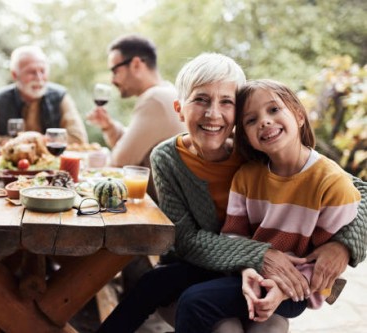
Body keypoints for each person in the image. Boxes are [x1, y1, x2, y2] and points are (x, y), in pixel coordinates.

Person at [97, 53, 367, 333]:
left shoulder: (260, 149)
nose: (213, 113)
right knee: (155, 285)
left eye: (226, 102)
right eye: (201, 99)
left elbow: (359, 192)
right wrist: (260, 255)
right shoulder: (166, 158)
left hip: (268, 277)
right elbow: (188, 240)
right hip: (201, 266)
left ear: (237, 114)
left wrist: (343, 247)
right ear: (180, 109)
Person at [174, 79, 361, 333]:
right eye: (251, 120)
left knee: (194, 302)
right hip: (249, 273)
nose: (264, 121)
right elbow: (233, 234)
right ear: (246, 137)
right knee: (157, 283)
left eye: (274, 110)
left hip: (295, 288)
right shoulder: (247, 176)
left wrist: (281, 292)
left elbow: (323, 264)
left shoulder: (333, 184)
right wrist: (247, 269)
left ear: (298, 115)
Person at [86, 34, 186, 168]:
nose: (112, 80)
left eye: (115, 71)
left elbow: (120, 162)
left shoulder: (155, 99)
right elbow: (133, 144)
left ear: (136, 64)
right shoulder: (166, 92)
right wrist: (109, 127)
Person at [0, 45, 88, 144]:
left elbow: (79, 138)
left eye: (43, 71)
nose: (39, 78)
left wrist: (36, 141)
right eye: (31, 72)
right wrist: (8, 142)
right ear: (15, 75)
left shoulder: (60, 96)